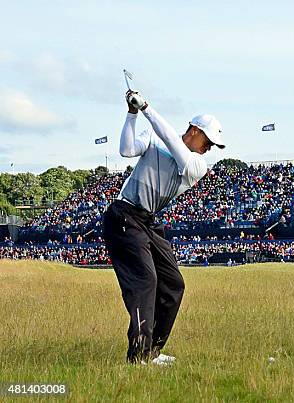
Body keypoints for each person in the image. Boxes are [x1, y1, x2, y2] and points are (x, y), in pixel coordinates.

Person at [103, 90, 225, 365]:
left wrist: (146, 107)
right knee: (146, 281)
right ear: (194, 131)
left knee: (173, 284)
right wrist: (132, 114)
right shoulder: (154, 139)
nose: (209, 149)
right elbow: (126, 150)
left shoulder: (197, 165)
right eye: (209, 141)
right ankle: (139, 357)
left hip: (147, 221)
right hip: (123, 216)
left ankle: (152, 350)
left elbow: (171, 139)